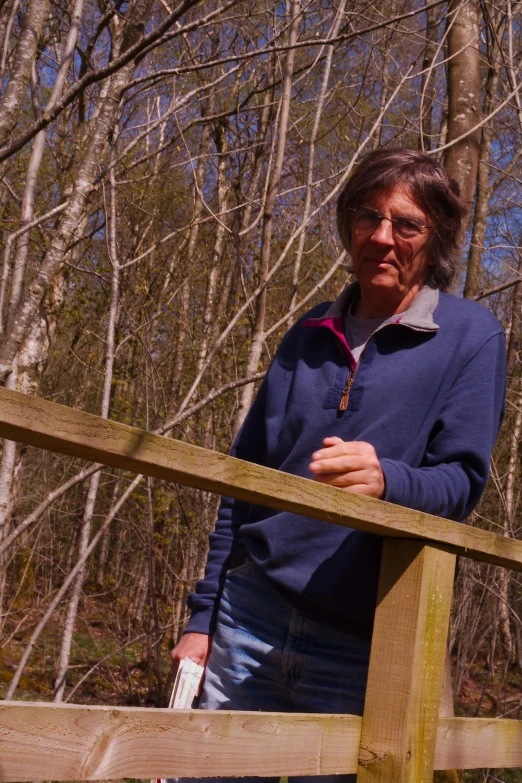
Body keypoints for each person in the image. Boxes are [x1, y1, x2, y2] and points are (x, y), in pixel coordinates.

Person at [170, 148, 506, 783]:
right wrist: (203, 618)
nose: (382, 237)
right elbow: (239, 485)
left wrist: (390, 480)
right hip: (250, 615)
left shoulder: (471, 335)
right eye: (367, 216)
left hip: (365, 636)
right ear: (347, 225)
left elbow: (461, 481)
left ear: (434, 239)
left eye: (406, 224)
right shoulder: (307, 333)